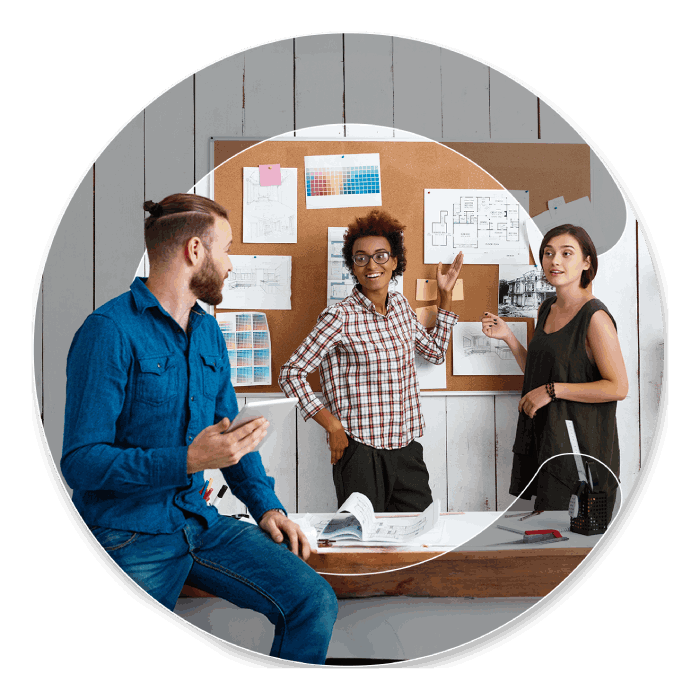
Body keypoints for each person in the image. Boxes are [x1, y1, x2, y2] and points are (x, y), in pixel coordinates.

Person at [61, 193, 338, 664]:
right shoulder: (108, 330)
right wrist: (188, 461)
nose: (230, 263)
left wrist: (267, 507)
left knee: (313, 601)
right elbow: (81, 463)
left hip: (200, 524)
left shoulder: (208, 332)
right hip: (128, 534)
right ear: (195, 250)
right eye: (226, 249)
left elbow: (230, 438)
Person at [279, 209, 463, 513]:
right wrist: (332, 425)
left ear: (394, 261)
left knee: (420, 531)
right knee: (359, 537)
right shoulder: (339, 316)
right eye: (361, 258)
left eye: (380, 256)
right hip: (360, 452)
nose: (371, 265)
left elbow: (434, 353)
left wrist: (445, 297)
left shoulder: (401, 306)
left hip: (405, 450)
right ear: (353, 266)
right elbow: (291, 373)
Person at [481, 224, 628, 521]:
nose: (554, 261)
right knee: (545, 531)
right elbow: (539, 374)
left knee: (574, 536)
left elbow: (618, 387)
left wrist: (552, 391)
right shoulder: (546, 309)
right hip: (546, 440)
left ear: (586, 262)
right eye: (548, 253)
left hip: (581, 450)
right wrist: (509, 338)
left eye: (566, 253)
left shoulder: (595, 317)